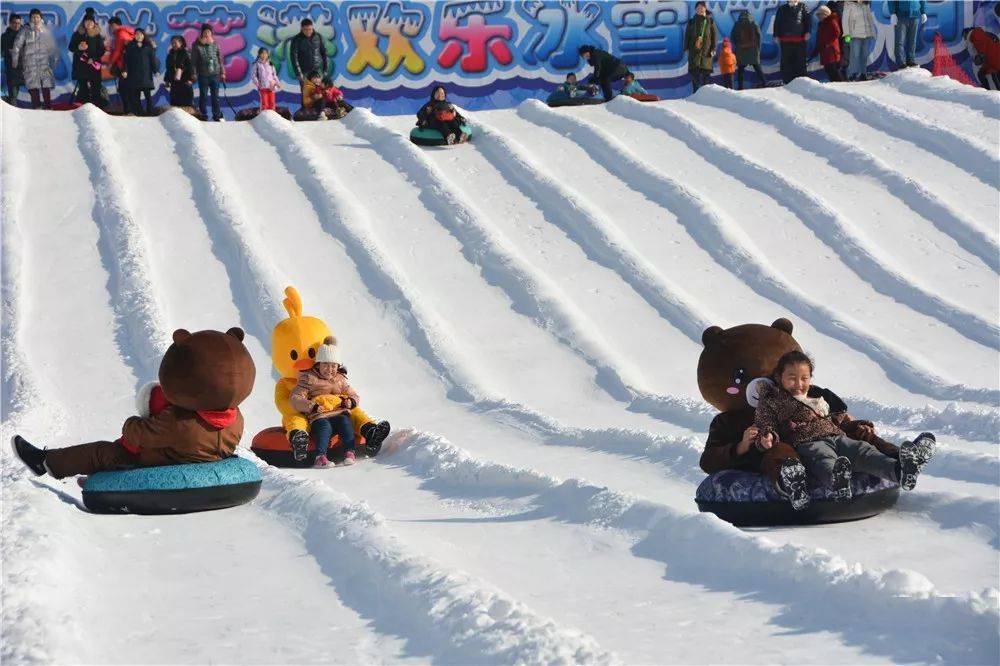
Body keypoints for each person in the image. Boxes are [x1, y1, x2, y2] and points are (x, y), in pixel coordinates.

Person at [754, 351, 935, 505]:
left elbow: (835, 419)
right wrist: (767, 435)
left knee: (863, 450)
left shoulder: (817, 399)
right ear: (780, 378)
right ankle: (838, 483)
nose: (799, 384)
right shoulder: (773, 400)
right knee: (823, 458)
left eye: (804, 378)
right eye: (792, 379)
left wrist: (856, 423)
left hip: (836, 436)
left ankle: (900, 471)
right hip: (807, 441)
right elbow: (765, 421)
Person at [289, 337, 359, 468]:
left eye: (333, 365)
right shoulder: (310, 378)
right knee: (324, 427)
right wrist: (312, 406)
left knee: (345, 422)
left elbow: (354, 395)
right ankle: (320, 457)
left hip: (338, 412)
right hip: (319, 415)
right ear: (318, 364)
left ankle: (349, 452)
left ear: (338, 366)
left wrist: (351, 402)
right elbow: (295, 398)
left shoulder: (340, 379)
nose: (329, 369)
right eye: (325, 365)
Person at [10, 9, 56, 109]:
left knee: (45, 85)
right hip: (30, 63)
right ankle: (37, 107)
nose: (35, 19)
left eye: (37, 17)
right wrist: (15, 60)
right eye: (33, 17)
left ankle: (48, 107)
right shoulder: (25, 30)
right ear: (30, 18)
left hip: (44, 63)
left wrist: (54, 61)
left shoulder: (46, 30)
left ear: (41, 18)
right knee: (32, 85)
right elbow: (17, 45)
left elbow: (53, 47)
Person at [68, 12, 105, 107]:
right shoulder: (77, 34)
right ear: (83, 23)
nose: (89, 24)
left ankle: (97, 107)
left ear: (94, 23)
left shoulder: (97, 35)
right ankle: (83, 108)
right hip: (81, 66)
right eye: (87, 22)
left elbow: (101, 50)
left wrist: (93, 58)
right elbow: (71, 47)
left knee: (96, 87)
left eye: (91, 22)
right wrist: (79, 48)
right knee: (83, 87)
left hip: (94, 65)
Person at [121, 28, 158, 115]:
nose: (139, 36)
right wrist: (125, 70)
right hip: (134, 74)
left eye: (140, 34)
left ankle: (150, 112)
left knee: (147, 95)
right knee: (136, 95)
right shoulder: (130, 47)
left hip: (145, 75)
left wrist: (155, 70)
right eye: (137, 34)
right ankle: (138, 112)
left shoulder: (148, 47)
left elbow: (152, 60)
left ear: (144, 36)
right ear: (134, 36)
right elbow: (126, 61)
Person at [290, 19, 328, 102]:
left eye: (310, 29)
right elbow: (294, 57)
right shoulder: (296, 39)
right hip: (304, 71)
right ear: (301, 29)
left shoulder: (318, 37)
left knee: (320, 92)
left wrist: (325, 69)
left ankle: (320, 112)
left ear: (312, 28)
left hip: (317, 70)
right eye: (306, 30)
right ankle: (306, 112)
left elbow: (324, 53)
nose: (308, 32)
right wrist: (299, 73)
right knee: (306, 94)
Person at [191, 23, 224, 121]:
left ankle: (216, 115)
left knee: (216, 97)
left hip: (215, 74)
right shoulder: (196, 45)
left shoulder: (216, 44)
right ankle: (203, 115)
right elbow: (193, 61)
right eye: (205, 32)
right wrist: (193, 73)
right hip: (203, 75)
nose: (207, 34)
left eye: (209, 32)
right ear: (202, 33)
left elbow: (220, 60)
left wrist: (223, 72)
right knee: (203, 96)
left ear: (211, 33)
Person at [774, 0, 811, 84]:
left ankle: (802, 82)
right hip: (785, 40)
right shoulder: (782, 9)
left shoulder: (803, 7)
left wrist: (808, 32)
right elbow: (777, 22)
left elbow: (808, 20)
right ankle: (787, 82)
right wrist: (776, 35)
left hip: (800, 40)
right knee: (786, 62)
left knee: (800, 62)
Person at [684, 2, 717, 93]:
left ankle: (706, 95)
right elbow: (687, 36)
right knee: (695, 75)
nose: (700, 9)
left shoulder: (710, 21)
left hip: (706, 51)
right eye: (698, 8)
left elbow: (714, 36)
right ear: (695, 10)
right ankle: (696, 94)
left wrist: (713, 48)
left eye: (702, 7)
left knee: (706, 75)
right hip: (694, 51)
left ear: (705, 9)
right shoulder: (691, 21)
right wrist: (686, 47)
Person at [842, 0, 877, 81]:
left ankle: (863, 73)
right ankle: (852, 74)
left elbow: (870, 19)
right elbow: (845, 20)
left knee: (864, 55)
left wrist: (873, 32)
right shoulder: (848, 4)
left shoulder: (866, 5)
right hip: (854, 35)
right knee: (855, 55)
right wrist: (846, 34)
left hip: (866, 34)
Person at [731, 10, 764, 89]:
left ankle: (740, 87)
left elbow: (732, 37)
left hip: (740, 50)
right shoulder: (754, 23)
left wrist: (737, 47)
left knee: (741, 70)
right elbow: (759, 36)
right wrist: (758, 48)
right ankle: (764, 82)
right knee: (757, 68)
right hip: (753, 49)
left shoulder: (737, 24)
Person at [889, 1, 926, 69]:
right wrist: (892, 13)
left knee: (912, 40)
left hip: (915, 14)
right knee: (899, 41)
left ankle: (910, 60)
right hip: (901, 15)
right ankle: (900, 62)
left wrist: (923, 11)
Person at [106, 16, 134, 106]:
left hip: (123, 65)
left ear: (115, 25)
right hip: (128, 65)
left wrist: (111, 64)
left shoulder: (120, 34)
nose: (110, 28)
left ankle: (128, 109)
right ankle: (130, 109)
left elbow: (118, 51)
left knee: (123, 88)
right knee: (126, 87)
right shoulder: (126, 32)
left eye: (111, 26)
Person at [164, 35, 194, 108]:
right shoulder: (170, 55)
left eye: (175, 43)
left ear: (181, 43)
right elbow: (168, 68)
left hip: (185, 82)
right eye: (172, 43)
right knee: (175, 105)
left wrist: (190, 79)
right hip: (174, 84)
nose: (173, 45)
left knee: (187, 104)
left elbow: (191, 67)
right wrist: (167, 80)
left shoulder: (186, 53)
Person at [816, 5, 844, 81]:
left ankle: (842, 84)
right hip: (825, 50)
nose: (818, 17)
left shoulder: (831, 20)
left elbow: (837, 32)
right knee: (828, 69)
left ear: (825, 14)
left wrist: (829, 43)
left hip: (831, 50)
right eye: (818, 15)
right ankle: (834, 84)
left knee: (833, 69)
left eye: (820, 15)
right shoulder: (821, 24)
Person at [2, 13, 25, 104]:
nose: (16, 25)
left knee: (34, 91)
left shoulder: (25, 35)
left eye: (19, 23)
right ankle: (12, 112)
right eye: (14, 23)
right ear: (10, 23)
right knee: (13, 95)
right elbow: (2, 51)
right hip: (11, 69)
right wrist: (8, 52)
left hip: (24, 69)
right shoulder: (4, 36)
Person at [250, 46, 280, 111]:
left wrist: (277, 83)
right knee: (265, 103)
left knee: (272, 103)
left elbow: (274, 75)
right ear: (259, 54)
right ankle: (264, 118)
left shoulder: (271, 64)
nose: (264, 55)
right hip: (263, 87)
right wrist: (258, 83)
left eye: (265, 53)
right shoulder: (257, 64)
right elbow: (253, 75)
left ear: (268, 54)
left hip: (271, 87)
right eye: (262, 53)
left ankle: (272, 118)